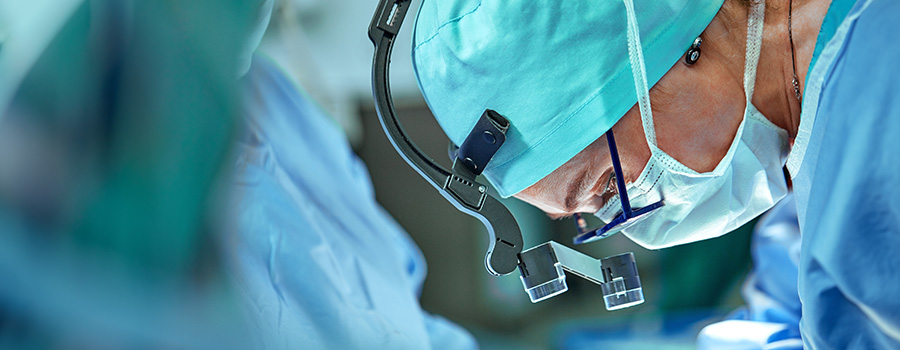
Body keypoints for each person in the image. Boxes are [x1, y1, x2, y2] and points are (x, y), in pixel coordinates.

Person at [411, 0, 899, 347]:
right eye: (590, 216)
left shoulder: (883, 107)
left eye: (605, 186)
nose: (638, 226)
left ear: (664, 52)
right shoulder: (818, 152)